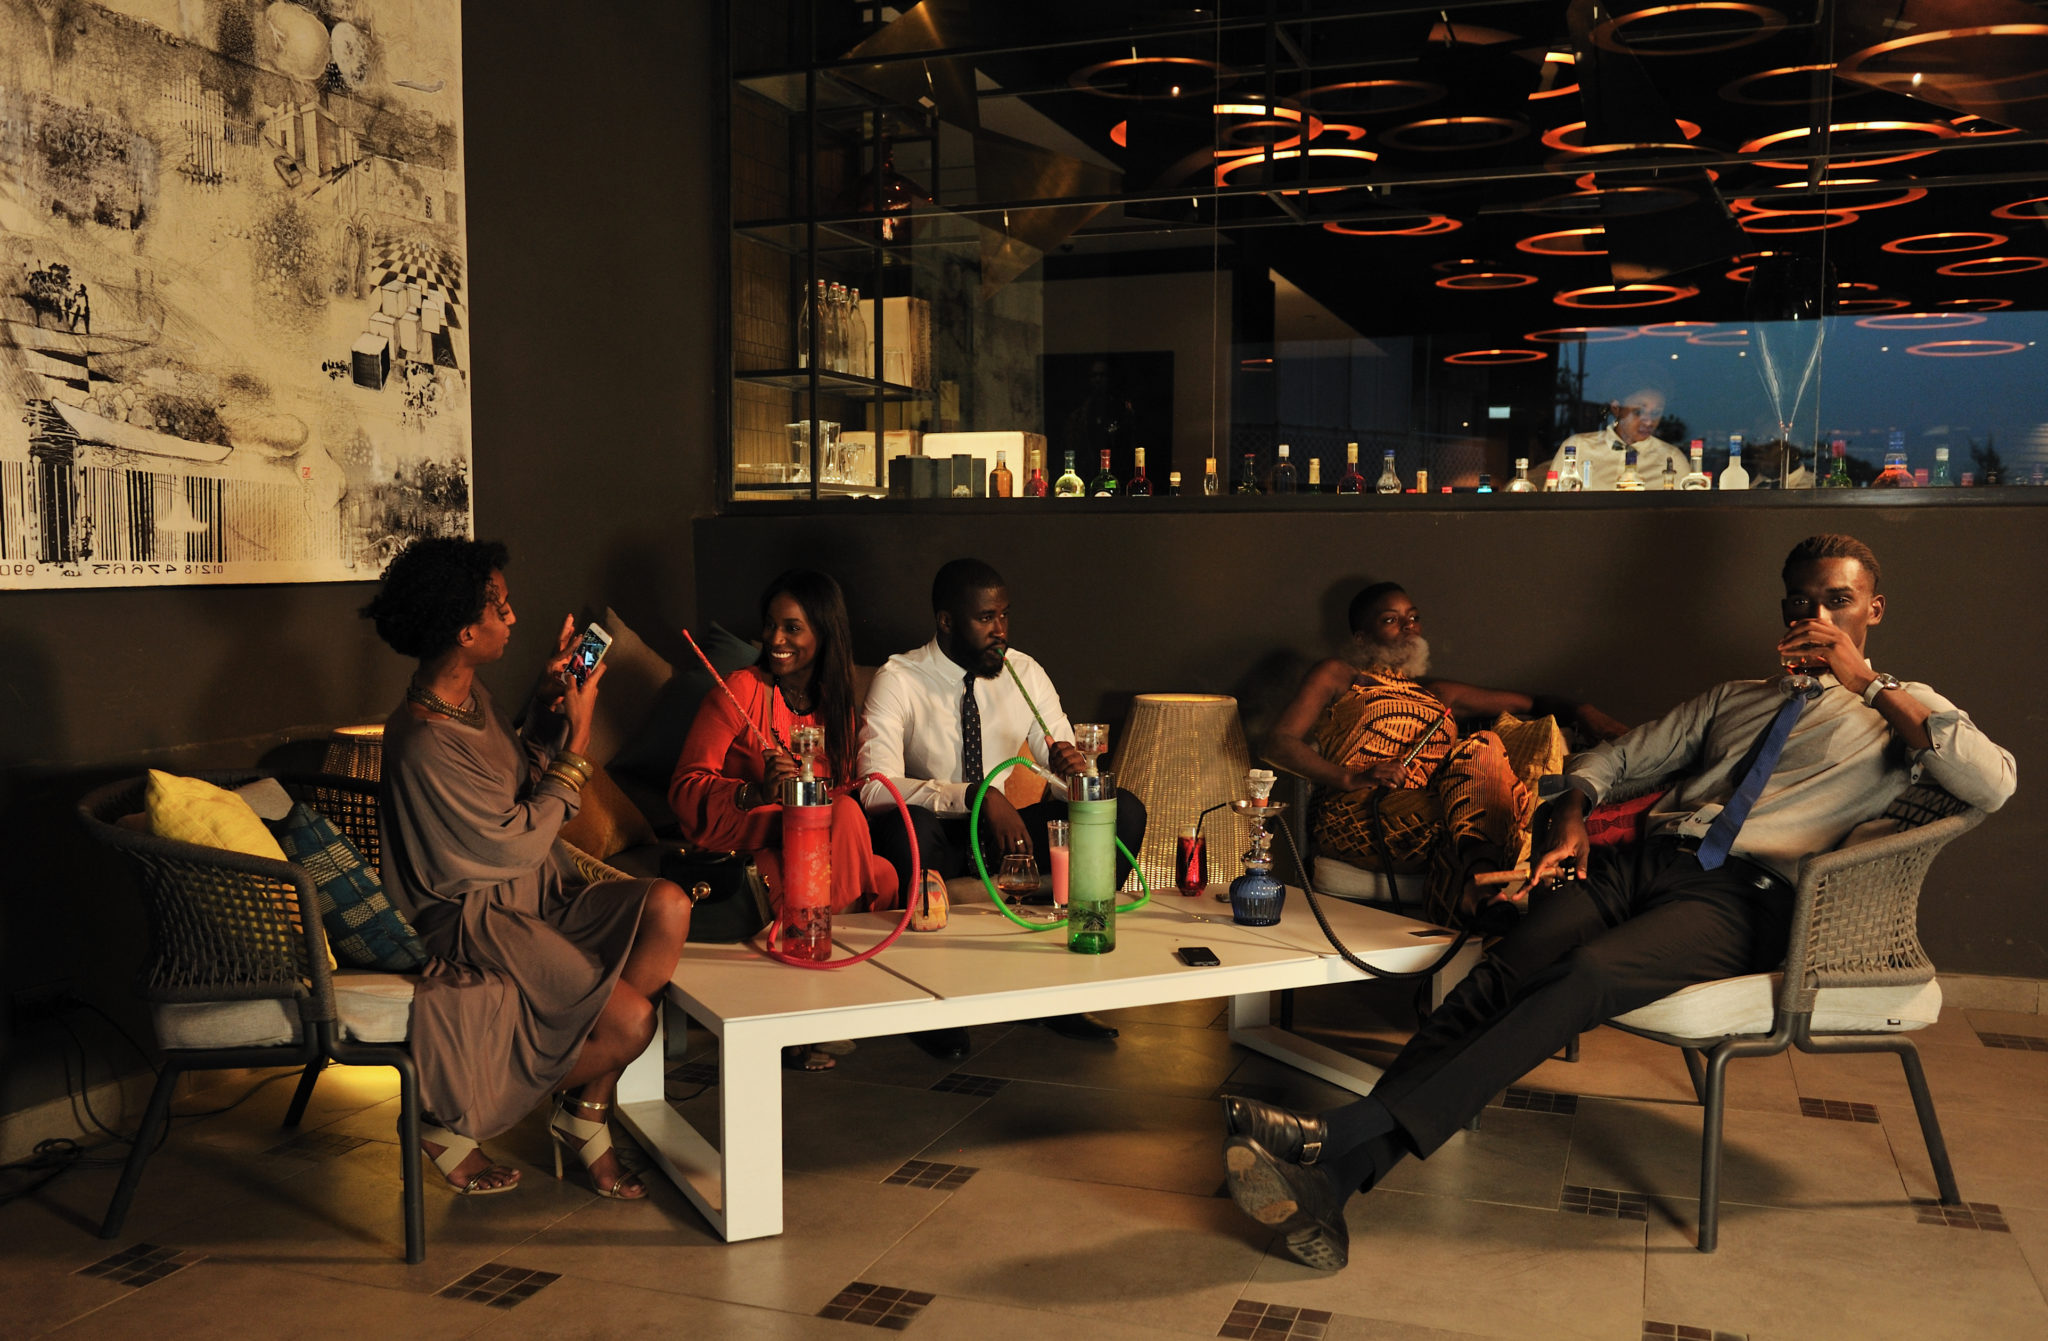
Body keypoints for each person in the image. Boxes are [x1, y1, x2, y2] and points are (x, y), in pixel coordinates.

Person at [1220, 535, 2015, 1270]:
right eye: (1803, 603)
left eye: (1838, 602)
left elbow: (1992, 782)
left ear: (1874, 609)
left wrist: (1867, 682)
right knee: (1511, 961)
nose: (1818, 618)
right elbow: (1617, 758)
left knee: (1589, 973)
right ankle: (1335, 1180)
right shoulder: (1736, 698)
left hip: (1750, 897)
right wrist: (1572, 814)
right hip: (1646, 864)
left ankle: (1340, 1134)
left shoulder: (1902, 712)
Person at [364, 538, 694, 1200]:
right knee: (631, 1023)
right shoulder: (424, 740)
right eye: (501, 608)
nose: (512, 617)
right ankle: (450, 1124)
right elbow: (512, 840)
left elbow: (520, 780)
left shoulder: (469, 697)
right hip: (478, 916)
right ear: (465, 632)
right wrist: (581, 738)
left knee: (669, 905)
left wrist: (548, 705)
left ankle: (582, 1107)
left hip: (537, 890)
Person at [857, 557, 1147, 1057]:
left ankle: (1059, 990)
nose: (1001, 631)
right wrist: (976, 795)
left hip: (1004, 840)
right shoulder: (900, 678)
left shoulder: (1024, 672)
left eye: (1005, 616)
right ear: (947, 622)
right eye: (986, 618)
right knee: (910, 827)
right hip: (940, 837)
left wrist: (1073, 774)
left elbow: (1064, 775)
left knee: (1121, 810)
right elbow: (873, 788)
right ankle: (933, 1004)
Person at [1264, 582, 1628, 916]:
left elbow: (1532, 702)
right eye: (1391, 619)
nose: (1408, 627)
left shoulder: (1436, 694)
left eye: (1413, 617)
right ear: (1361, 638)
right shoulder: (1338, 675)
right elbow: (1278, 743)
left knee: (1485, 747)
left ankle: (1480, 890)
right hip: (1362, 816)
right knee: (1493, 816)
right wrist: (1350, 778)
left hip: (1444, 814)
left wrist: (1585, 712)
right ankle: (1484, 889)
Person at [668, 569, 899, 1069]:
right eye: (771, 625)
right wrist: (755, 791)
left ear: (824, 634)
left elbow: (845, 795)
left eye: (792, 628)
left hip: (818, 850)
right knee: (846, 831)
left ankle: (818, 992)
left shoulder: (837, 709)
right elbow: (684, 791)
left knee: (874, 857)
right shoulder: (739, 690)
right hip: (750, 843)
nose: (775, 639)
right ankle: (824, 1003)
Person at [1543, 387, 1688, 490]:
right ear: (1616, 408)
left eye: (1655, 413)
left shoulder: (1671, 458)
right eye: (1638, 411)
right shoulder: (1578, 447)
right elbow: (1551, 506)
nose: (1649, 421)